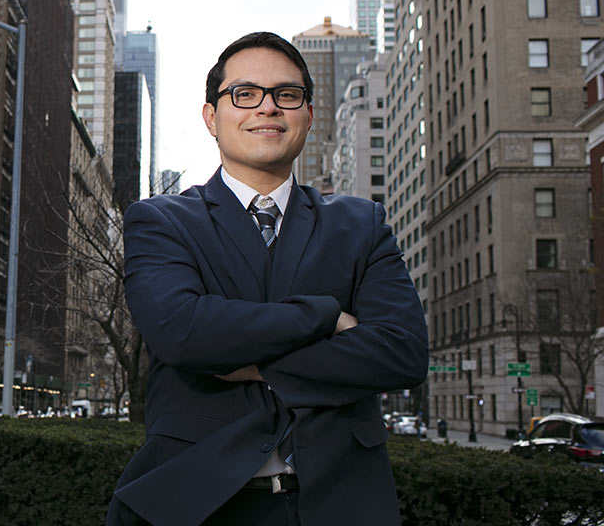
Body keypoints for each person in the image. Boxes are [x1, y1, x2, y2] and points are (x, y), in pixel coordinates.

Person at [105, 32, 429, 526]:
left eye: (287, 95)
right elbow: (184, 333)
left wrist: (258, 364)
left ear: (308, 115)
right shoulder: (161, 220)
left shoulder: (361, 223)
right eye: (245, 94)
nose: (267, 108)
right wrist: (325, 315)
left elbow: (403, 352)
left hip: (344, 503)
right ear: (213, 117)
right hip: (199, 505)